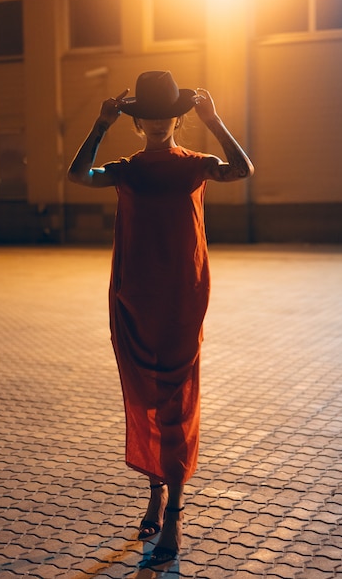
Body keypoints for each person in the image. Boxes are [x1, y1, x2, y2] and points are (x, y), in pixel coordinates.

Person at [68, 70, 254, 569]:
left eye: (164, 115)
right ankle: (154, 492)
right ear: (138, 121)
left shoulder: (195, 164)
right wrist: (99, 125)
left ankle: (173, 510)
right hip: (134, 298)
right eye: (146, 116)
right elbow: (77, 176)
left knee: (175, 401)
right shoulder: (126, 168)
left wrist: (214, 122)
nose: (155, 123)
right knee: (146, 398)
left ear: (176, 117)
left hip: (180, 300)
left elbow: (243, 169)